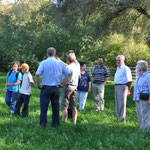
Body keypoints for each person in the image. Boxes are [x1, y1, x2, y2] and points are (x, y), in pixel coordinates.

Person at [35, 47, 70, 127]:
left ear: (47, 54)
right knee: (55, 107)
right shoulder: (60, 63)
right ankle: (55, 124)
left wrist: (39, 85)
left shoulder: (43, 63)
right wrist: (63, 84)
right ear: (55, 54)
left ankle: (43, 124)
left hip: (46, 88)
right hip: (56, 88)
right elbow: (68, 74)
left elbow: (37, 74)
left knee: (44, 108)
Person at [61, 50, 80, 125]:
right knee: (73, 106)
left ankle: (64, 121)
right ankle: (74, 122)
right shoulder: (76, 67)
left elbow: (66, 77)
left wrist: (62, 84)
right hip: (75, 86)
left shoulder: (68, 67)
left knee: (65, 105)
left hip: (68, 86)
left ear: (68, 59)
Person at [114, 55, 132, 122]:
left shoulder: (126, 68)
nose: (118, 61)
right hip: (116, 86)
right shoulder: (118, 68)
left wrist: (128, 90)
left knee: (122, 103)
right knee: (117, 103)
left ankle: (122, 119)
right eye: (117, 60)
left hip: (123, 87)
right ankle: (118, 117)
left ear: (123, 60)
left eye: (119, 60)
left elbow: (130, 81)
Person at [133, 60, 150, 130]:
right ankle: (141, 128)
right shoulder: (139, 76)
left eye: (137, 65)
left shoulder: (148, 76)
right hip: (137, 98)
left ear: (141, 67)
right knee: (139, 114)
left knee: (145, 114)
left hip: (144, 98)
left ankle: (145, 129)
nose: (136, 67)